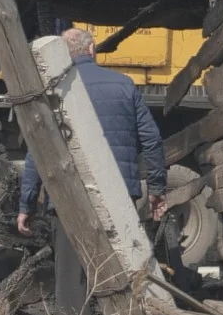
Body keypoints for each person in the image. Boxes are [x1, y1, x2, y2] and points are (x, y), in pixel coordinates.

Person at [17, 28, 167, 229]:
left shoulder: (53, 90)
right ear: (91, 49)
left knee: (72, 260)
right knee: (122, 258)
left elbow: (38, 151)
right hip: (119, 195)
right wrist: (156, 188)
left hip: (69, 197)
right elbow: (152, 139)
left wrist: (27, 205)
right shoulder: (124, 85)